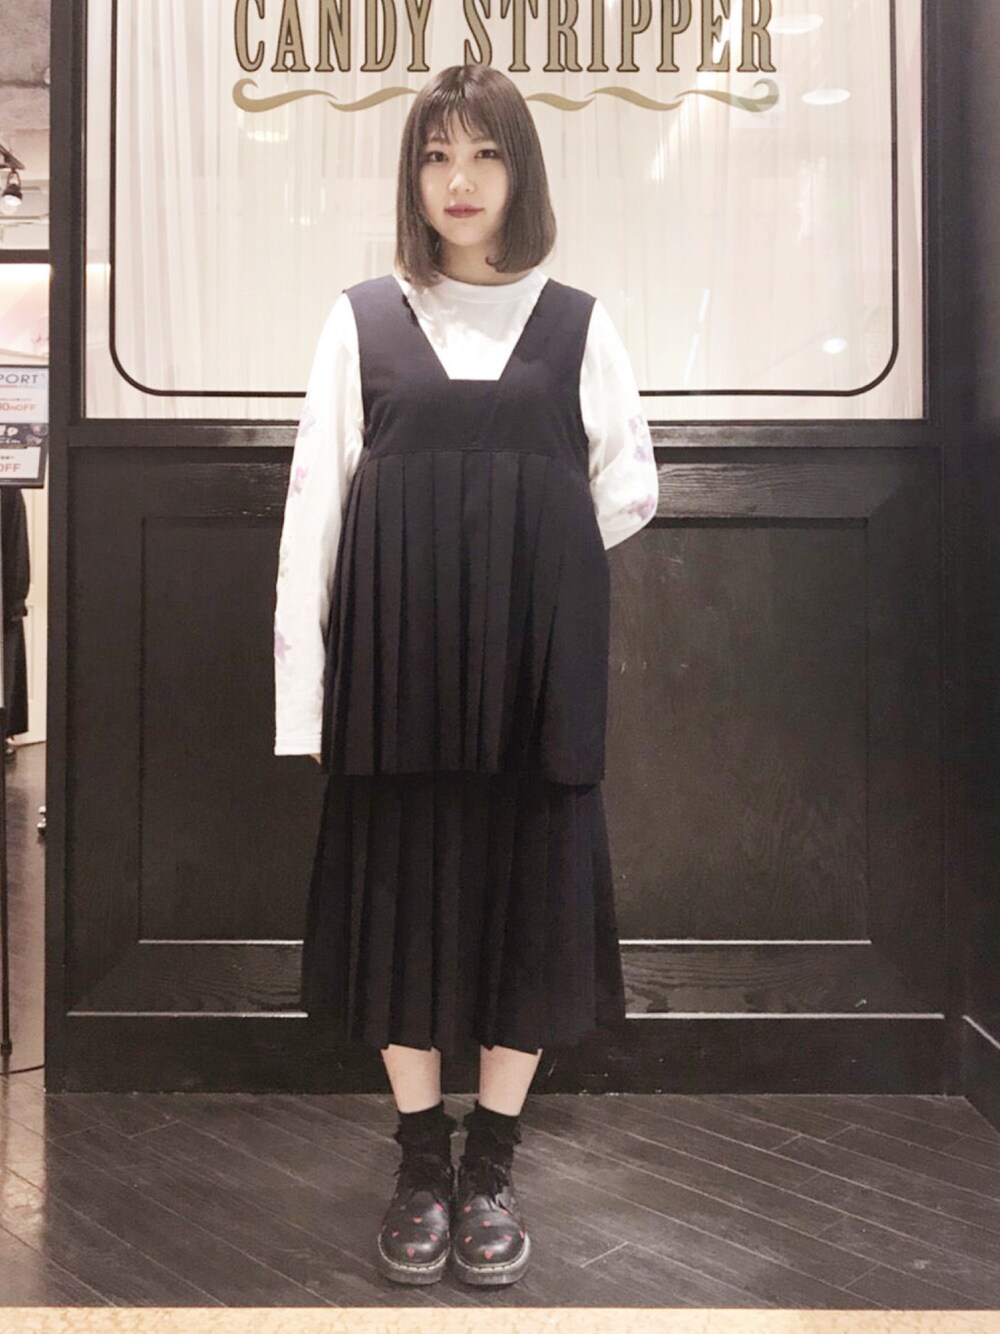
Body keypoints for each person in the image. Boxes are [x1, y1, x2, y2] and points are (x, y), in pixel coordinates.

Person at [274, 63, 658, 1288]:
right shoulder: (361, 320)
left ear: (518, 171)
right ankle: (416, 1161)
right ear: (412, 175)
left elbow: (630, 486)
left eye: (484, 153)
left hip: (531, 686)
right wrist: (307, 692)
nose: (459, 179)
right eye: (437, 155)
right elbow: (313, 519)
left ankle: (490, 1159)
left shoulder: (579, 323)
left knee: (522, 908)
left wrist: (530, 573)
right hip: (393, 681)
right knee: (399, 905)